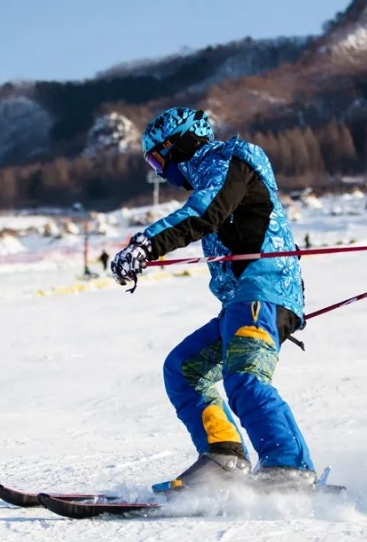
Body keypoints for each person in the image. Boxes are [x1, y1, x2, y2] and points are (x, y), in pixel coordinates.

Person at [110, 107, 315, 491]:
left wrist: (146, 244)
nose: (159, 172)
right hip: (240, 300)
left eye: (157, 159)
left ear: (178, 146)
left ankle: (289, 468)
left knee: (244, 377)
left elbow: (205, 212)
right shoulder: (211, 171)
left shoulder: (230, 161)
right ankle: (224, 458)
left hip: (266, 292)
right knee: (183, 369)